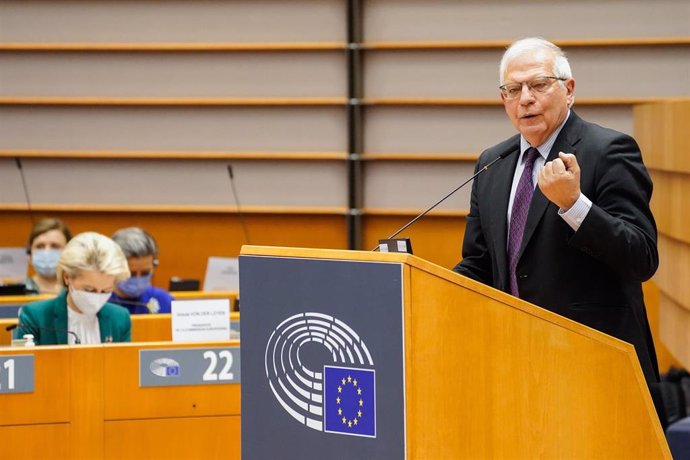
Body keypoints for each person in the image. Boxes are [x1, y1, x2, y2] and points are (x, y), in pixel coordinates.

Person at [453, 38, 659, 387]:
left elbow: (641, 257)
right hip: (514, 357)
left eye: (539, 85)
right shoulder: (492, 163)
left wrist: (574, 205)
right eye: (513, 89)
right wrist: (418, 283)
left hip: (594, 362)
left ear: (569, 90)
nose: (526, 99)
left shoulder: (608, 150)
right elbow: (479, 264)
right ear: (504, 99)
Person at [16, 232, 131, 345]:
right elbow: (24, 363)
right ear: (67, 277)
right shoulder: (34, 316)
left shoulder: (120, 318)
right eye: (89, 290)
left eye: (106, 291)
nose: (97, 297)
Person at [110, 227, 174, 314]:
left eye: (145, 273)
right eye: (131, 274)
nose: (138, 279)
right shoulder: (99, 303)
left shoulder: (164, 301)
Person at [25, 218, 72, 295]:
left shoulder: (77, 292)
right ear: (30, 254)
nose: (47, 252)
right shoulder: (18, 291)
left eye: (55, 246)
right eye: (40, 246)